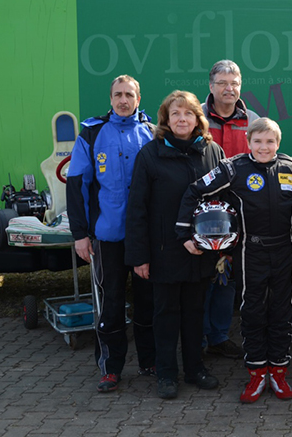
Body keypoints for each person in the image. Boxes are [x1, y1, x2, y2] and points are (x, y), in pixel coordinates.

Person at [176, 117, 292, 403]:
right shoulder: (232, 168)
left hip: (285, 251)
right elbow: (195, 191)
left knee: (282, 311)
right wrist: (184, 233)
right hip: (250, 251)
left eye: (270, 141)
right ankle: (257, 372)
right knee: (253, 312)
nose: (264, 147)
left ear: (279, 142)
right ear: (248, 142)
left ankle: (279, 371)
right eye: (258, 141)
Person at [125, 90, 225, 399]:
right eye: (175, 114)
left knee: (195, 313)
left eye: (188, 113)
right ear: (166, 120)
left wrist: (223, 247)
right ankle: (166, 374)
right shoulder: (149, 155)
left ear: (198, 118)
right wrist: (139, 256)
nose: (182, 119)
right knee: (165, 315)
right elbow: (137, 209)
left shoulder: (212, 151)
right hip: (163, 252)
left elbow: (224, 201)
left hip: (200, 252)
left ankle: (195, 369)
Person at [66, 74, 155, 393]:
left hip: (145, 236)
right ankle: (110, 368)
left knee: (148, 302)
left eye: (129, 95)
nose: (123, 100)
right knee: (112, 304)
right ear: (110, 98)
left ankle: (150, 362)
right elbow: (77, 185)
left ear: (138, 99)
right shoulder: (91, 133)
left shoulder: (152, 133)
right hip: (107, 236)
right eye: (118, 94)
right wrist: (80, 234)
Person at [200, 59, 259, 360]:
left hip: (239, 214)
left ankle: (219, 337)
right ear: (211, 86)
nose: (229, 89)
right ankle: (198, 338)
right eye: (222, 83)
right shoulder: (196, 117)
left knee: (226, 278)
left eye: (234, 83)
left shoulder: (253, 120)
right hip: (202, 212)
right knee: (201, 278)